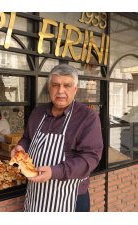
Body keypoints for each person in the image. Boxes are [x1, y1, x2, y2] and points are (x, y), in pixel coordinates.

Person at [11, 64, 103, 212]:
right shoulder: (38, 112)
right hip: (36, 194)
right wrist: (20, 148)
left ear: (75, 89)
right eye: (55, 85)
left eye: (67, 85)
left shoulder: (87, 117)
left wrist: (55, 172)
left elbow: (90, 158)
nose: (61, 91)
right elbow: (27, 138)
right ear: (49, 87)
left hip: (69, 199)